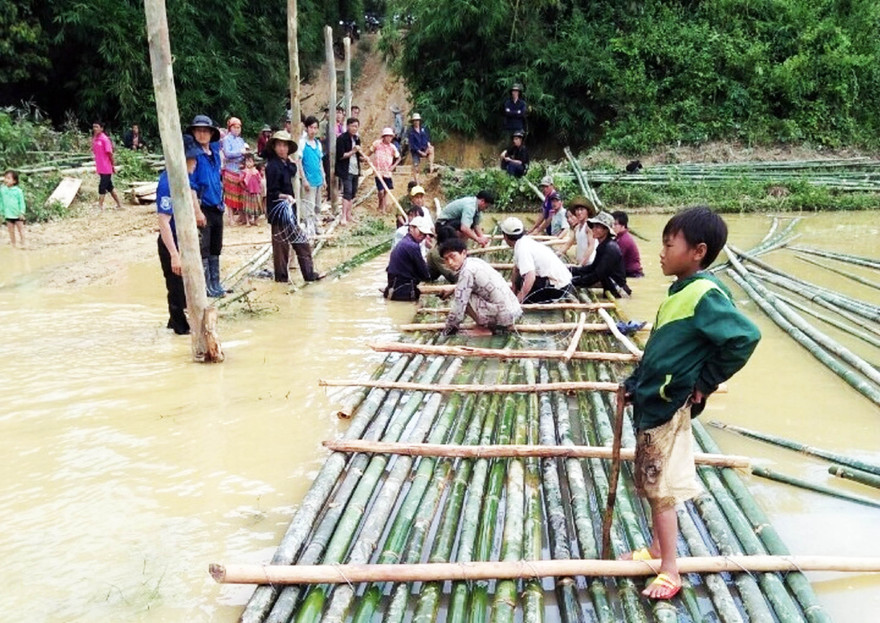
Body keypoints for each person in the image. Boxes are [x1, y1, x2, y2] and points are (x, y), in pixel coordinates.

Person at [622, 206, 760, 600]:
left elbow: (744, 338)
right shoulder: (678, 293)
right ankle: (654, 550)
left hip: (667, 408)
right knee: (650, 482)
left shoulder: (704, 294)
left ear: (698, 251)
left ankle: (670, 570)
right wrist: (635, 381)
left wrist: (706, 380)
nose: (662, 253)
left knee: (661, 487)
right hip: (652, 402)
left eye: (669, 245)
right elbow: (660, 352)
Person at [155, 136, 202, 335]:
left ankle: (176, 322)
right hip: (171, 242)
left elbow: (191, 195)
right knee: (176, 289)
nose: (195, 162)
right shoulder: (167, 184)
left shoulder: (185, 178)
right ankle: (180, 330)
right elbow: (163, 222)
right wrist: (174, 254)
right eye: (191, 159)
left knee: (187, 287)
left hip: (185, 240)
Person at [265, 130, 322, 283]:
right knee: (281, 250)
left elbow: (293, 169)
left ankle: (309, 274)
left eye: (285, 146)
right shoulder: (272, 166)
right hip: (279, 212)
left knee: (302, 243)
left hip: (290, 212)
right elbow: (272, 192)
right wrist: (286, 197)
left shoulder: (287, 163)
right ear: (275, 147)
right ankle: (282, 280)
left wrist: (291, 161)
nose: (282, 149)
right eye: (279, 145)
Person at [439, 238, 522, 336]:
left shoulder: (466, 272)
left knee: (462, 296)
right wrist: (453, 289)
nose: (450, 262)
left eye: (453, 256)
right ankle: (488, 323)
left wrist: (448, 329)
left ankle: (484, 328)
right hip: (514, 311)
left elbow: (459, 306)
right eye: (446, 259)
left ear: (463, 253)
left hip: (504, 318)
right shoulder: (474, 262)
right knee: (460, 290)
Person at [187, 114, 226, 297]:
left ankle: (215, 283)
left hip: (217, 206)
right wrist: (197, 212)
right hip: (203, 207)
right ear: (194, 133)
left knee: (216, 247)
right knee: (204, 248)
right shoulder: (193, 156)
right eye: (198, 131)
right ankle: (206, 285)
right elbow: (191, 187)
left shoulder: (214, 153)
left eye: (205, 131)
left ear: (211, 134)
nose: (202, 135)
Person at [501, 216, 573, 303]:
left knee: (524, 287)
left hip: (558, 288)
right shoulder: (523, 242)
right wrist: (513, 290)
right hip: (560, 283)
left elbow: (530, 277)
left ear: (505, 236)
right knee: (519, 279)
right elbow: (516, 270)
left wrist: (518, 301)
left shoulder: (522, 248)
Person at [570, 211, 631, 297]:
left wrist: (574, 282)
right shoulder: (603, 246)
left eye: (597, 227)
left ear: (606, 230)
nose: (593, 229)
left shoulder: (610, 248)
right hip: (610, 288)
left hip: (618, 292)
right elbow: (592, 268)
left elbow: (597, 275)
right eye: (593, 226)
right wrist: (572, 270)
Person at [384, 215, 433, 301]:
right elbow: (424, 273)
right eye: (420, 232)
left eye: (425, 235)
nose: (422, 236)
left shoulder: (404, 242)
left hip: (393, 289)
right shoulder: (412, 246)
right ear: (411, 228)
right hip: (404, 293)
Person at [299, 115, 325, 236]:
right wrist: (304, 179)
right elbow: (299, 162)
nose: (313, 130)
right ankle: (309, 230)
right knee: (308, 206)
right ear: (306, 128)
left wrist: (323, 178)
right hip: (309, 180)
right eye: (311, 127)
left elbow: (320, 162)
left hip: (318, 179)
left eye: (315, 128)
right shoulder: (302, 143)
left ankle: (316, 226)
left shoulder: (318, 144)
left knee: (317, 206)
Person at [221, 117, 248, 225]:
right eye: (235, 127)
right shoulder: (226, 139)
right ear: (230, 128)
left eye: (239, 127)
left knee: (241, 194)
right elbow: (227, 153)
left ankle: (241, 216)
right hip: (230, 169)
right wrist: (240, 153)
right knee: (230, 195)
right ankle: (231, 218)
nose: (237, 129)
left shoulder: (241, 140)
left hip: (240, 169)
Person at [91, 120, 123, 210]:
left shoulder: (105, 139)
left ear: (101, 128)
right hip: (100, 168)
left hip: (106, 167)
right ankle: (119, 204)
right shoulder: (95, 139)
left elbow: (110, 153)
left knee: (102, 186)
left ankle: (100, 206)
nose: (95, 129)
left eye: (97, 127)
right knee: (110, 187)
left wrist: (113, 165)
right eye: (94, 127)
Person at [335, 117, 362, 225]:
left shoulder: (357, 139)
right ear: (348, 126)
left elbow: (358, 155)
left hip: (355, 169)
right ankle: (343, 216)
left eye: (356, 126)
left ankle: (349, 215)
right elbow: (341, 156)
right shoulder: (342, 139)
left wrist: (363, 158)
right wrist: (353, 151)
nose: (355, 128)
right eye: (353, 126)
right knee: (347, 192)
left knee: (353, 193)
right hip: (346, 170)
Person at [369, 127, 401, 216]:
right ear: (384, 136)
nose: (389, 138)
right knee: (381, 191)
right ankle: (381, 204)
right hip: (378, 171)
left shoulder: (392, 147)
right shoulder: (377, 144)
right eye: (388, 136)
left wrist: (393, 166)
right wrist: (366, 158)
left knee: (386, 190)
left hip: (387, 172)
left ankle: (383, 207)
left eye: (391, 137)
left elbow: (398, 158)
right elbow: (369, 152)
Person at [560, 196, 597, 267]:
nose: (579, 212)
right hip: (581, 263)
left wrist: (581, 264)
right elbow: (568, 244)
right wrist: (558, 253)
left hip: (589, 263)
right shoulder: (577, 228)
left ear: (587, 211)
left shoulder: (589, 227)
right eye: (577, 210)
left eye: (582, 209)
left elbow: (591, 247)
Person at [612, 210, 645, 278]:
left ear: (623, 225)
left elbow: (614, 261)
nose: (612, 227)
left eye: (615, 224)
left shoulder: (624, 240)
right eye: (611, 224)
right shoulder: (618, 237)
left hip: (633, 275)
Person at [407, 113, 435, 182]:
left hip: (424, 147)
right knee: (416, 166)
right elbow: (412, 145)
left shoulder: (424, 129)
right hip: (416, 151)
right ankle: (416, 181)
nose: (416, 122)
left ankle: (431, 166)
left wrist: (428, 146)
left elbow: (427, 139)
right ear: (413, 122)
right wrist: (420, 152)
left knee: (431, 149)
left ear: (419, 121)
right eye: (415, 120)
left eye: (417, 120)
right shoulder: (411, 132)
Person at [1, 170, 26, 248]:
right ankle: (13, 244)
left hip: (17, 214)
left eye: (8, 178)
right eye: (5, 178)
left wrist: (22, 212)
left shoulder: (18, 191)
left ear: (14, 181)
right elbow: (1, 201)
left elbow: (22, 202)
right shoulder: (2, 190)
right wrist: (1, 212)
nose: (6, 180)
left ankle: (23, 243)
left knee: (21, 230)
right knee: (11, 231)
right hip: (8, 214)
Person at [241, 153, 263, 226]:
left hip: (256, 191)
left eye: (250, 161)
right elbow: (240, 180)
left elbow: (259, 180)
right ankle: (248, 221)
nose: (249, 163)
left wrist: (260, 189)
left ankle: (256, 220)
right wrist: (244, 187)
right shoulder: (244, 171)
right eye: (247, 161)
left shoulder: (256, 171)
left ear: (253, 162)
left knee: (257, 206)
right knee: (247, 207)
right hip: (247, 191)